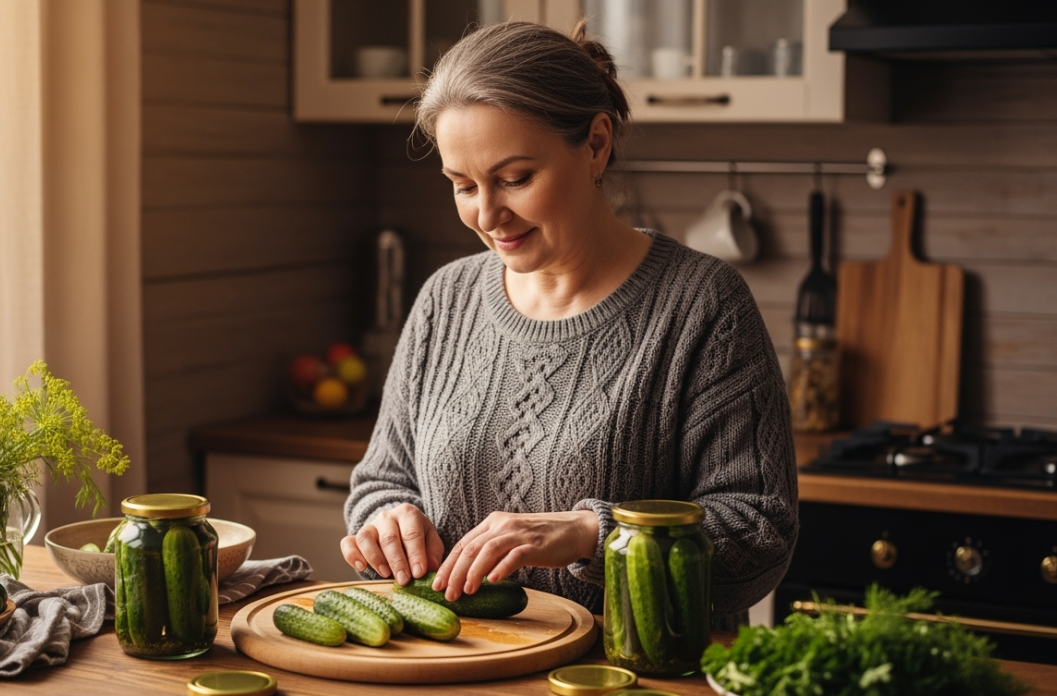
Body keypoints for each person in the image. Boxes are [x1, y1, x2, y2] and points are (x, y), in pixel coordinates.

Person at [340, 20, 797, 629]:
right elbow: (381, 480)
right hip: (464, 672)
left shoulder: (704, 306)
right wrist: (385, 517)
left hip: (636, 677)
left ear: (596, 145)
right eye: (462, 185)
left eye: (515, 179)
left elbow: (760, 532)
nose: (487, 213)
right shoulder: (444, 299)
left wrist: (593, 534)